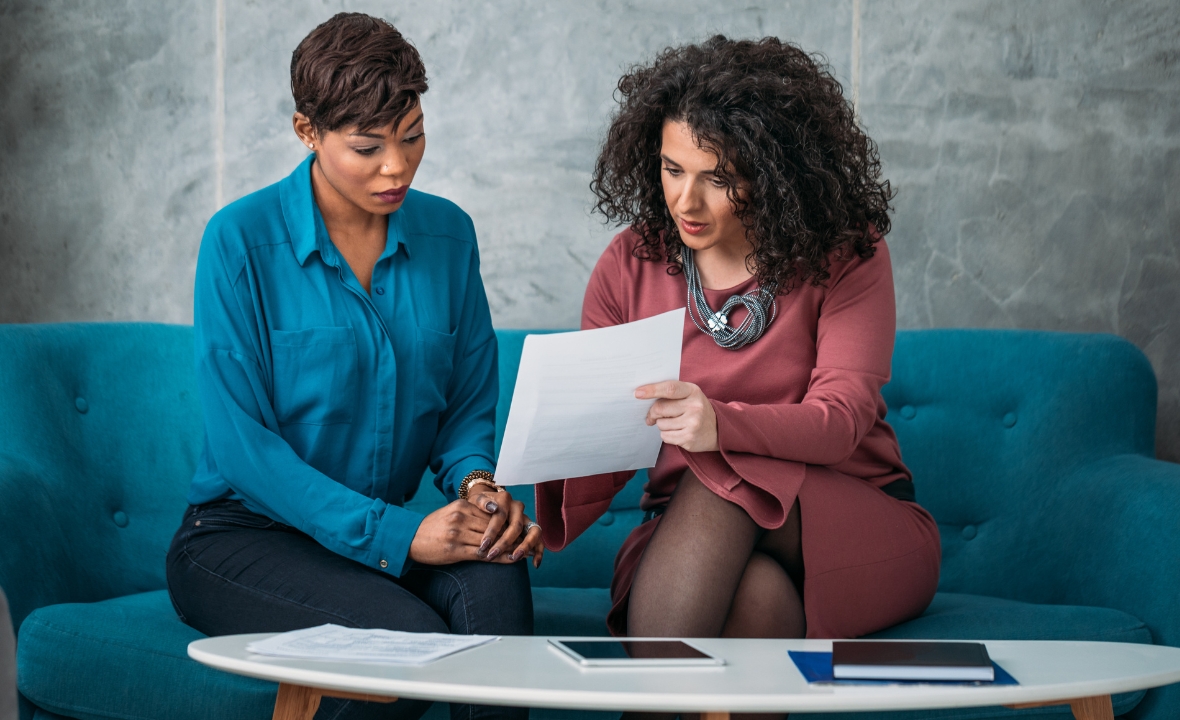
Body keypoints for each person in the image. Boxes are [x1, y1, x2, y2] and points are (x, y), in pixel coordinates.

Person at [536, 36, 942, 720]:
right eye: (671, 170)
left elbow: (842, 420)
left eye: (719, 177)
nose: (685, 200)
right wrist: (528, 492)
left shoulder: (847, 252)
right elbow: (604, 442)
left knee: (721, 474)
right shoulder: (630, 263)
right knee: (758, 602)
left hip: (851, 522)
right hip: (693, 539)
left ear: (775, 171)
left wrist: (719, 423)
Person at [166, 13, 541, 720]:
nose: (396, 167)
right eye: (367, 147)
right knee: (407, 647)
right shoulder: (238, 242)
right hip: (240, 539)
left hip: (368, 542)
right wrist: (402, 536)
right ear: (308, 131)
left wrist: (477, 486)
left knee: (497, 581)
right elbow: (246, 451)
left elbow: (463, 408)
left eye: (413, 136)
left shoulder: (449, 235)